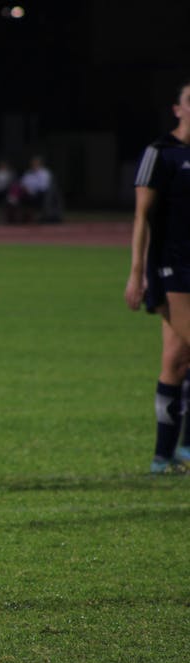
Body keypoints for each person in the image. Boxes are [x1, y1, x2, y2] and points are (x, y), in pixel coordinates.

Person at [125, 77, 190, 474]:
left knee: (177, 359)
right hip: (173, 268)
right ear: (178, 109)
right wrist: (136, 273)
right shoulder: (160, 153)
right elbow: (141, 216)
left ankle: (168, 455)